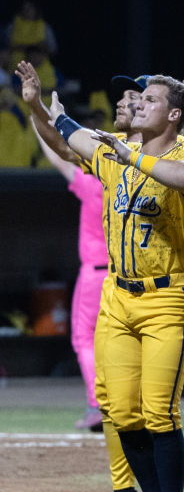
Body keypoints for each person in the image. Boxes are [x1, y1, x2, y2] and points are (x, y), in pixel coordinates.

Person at [19, 66, 184, 492]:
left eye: (147, 99)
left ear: (173, 114)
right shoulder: (114, 149)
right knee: (121, 413)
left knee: (159, 413)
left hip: (168, 296)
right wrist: (36, 107)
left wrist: (133, 157)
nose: (135, 103)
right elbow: (66, 141)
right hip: (117, 295)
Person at [29, 119, 107, 431]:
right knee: (118, 341)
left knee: (84, 339)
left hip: (95, 275)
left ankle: (96, 406)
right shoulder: (123, 184)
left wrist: (38, 121)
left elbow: (55, 156)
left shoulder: (92, 185)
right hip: (124, 274)